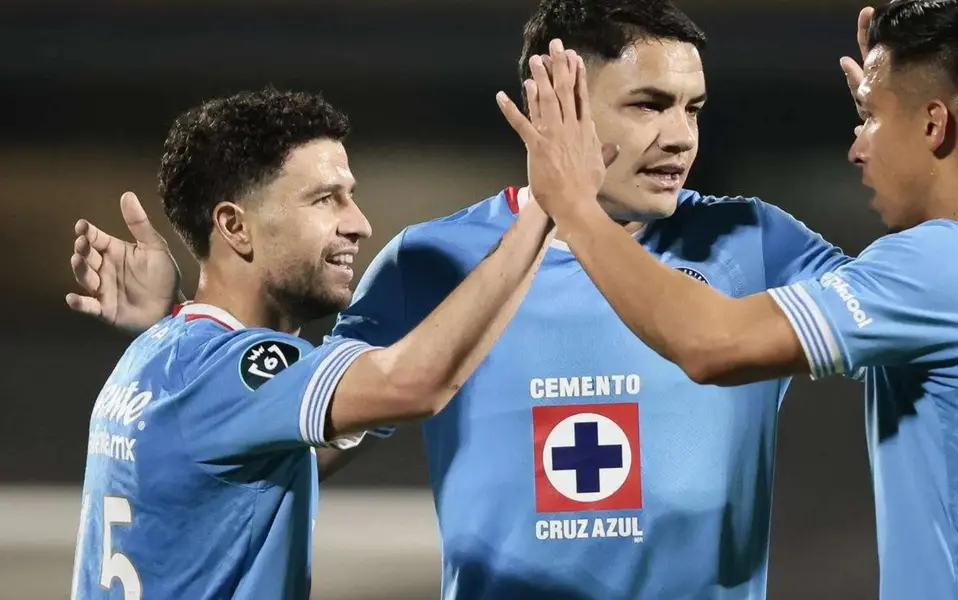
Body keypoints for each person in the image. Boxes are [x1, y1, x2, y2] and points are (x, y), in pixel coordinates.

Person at [68, 2, 853, 598]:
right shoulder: (430, 261)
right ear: (559, 101)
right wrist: (183, 340)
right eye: (649, 105)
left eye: (693, 109)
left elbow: (911, 333)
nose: (681, 137)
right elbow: (296, 437)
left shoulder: (757, 242)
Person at [510, 1, 958, 599]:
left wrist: (572, 204)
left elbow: (711, 345)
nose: (856, 146)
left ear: (934, 123)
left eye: (869, 119)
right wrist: (898, 116)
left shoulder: (952, 269)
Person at [66, 87, 578, 599]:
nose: (358, 223)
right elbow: (414, 384)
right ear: (234, 226)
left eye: (349, 195)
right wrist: (544, 211)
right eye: (325, 198)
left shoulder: (156, 353)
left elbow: (266, 470)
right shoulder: (241, 368)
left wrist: (167, 314)